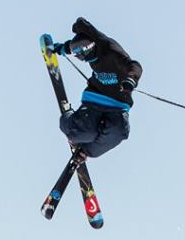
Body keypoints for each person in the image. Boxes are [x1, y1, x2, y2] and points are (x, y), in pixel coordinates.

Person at [46, 17, 141, 160]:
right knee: (83, 132)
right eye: (77, 55)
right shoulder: (87, 47)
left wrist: (130, 80)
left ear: (91, 47)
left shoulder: (111, 50)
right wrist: (60, 49)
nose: (82, 59)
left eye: (82, 55)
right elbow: (75, 46)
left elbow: (135, 66)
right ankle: (70, 120)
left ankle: (85, 151)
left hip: (118, 105)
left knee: (119, 132)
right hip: (95, 98)